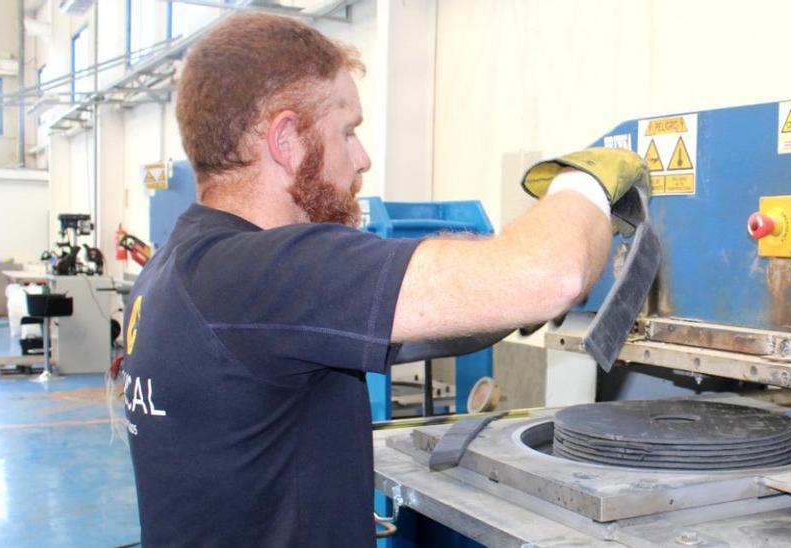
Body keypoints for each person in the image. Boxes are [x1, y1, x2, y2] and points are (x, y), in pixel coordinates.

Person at [119, 12, 647, 546]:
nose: (362, 158)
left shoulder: (180, 270)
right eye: (347, 131)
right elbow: (551, 274)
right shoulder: (264, 271)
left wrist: (506, 304)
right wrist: (584, 184)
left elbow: (418, 325)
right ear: (286, 140)